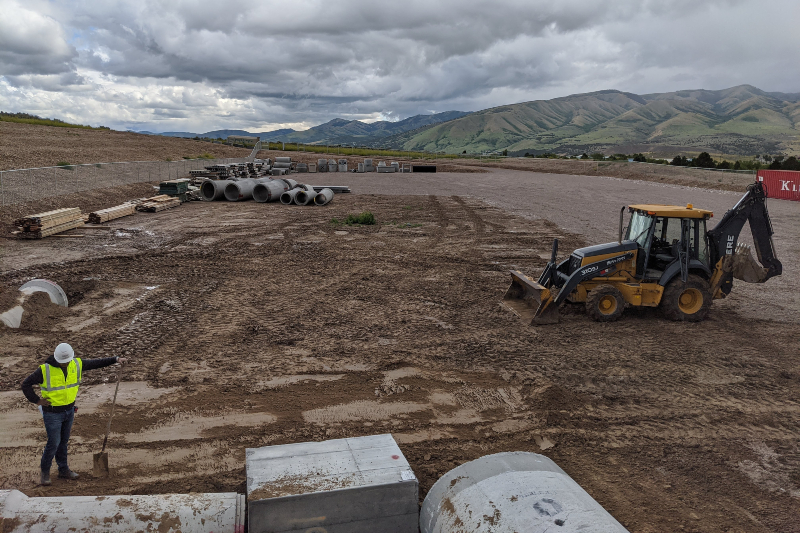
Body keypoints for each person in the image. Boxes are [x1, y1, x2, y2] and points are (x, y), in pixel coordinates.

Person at [21, 343, 127, 486]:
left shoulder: (76, 364)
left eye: (67, 362)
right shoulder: (44, 370)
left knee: (63, 442)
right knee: (53, 443)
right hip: (52, 413)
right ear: (56, 359)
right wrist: (37, 400)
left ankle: (63, 470)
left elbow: (96, 363)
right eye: (62, 362)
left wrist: (115, 359)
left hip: (69, 411)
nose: (65, 364)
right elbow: (25, 384)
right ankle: (45, 473)